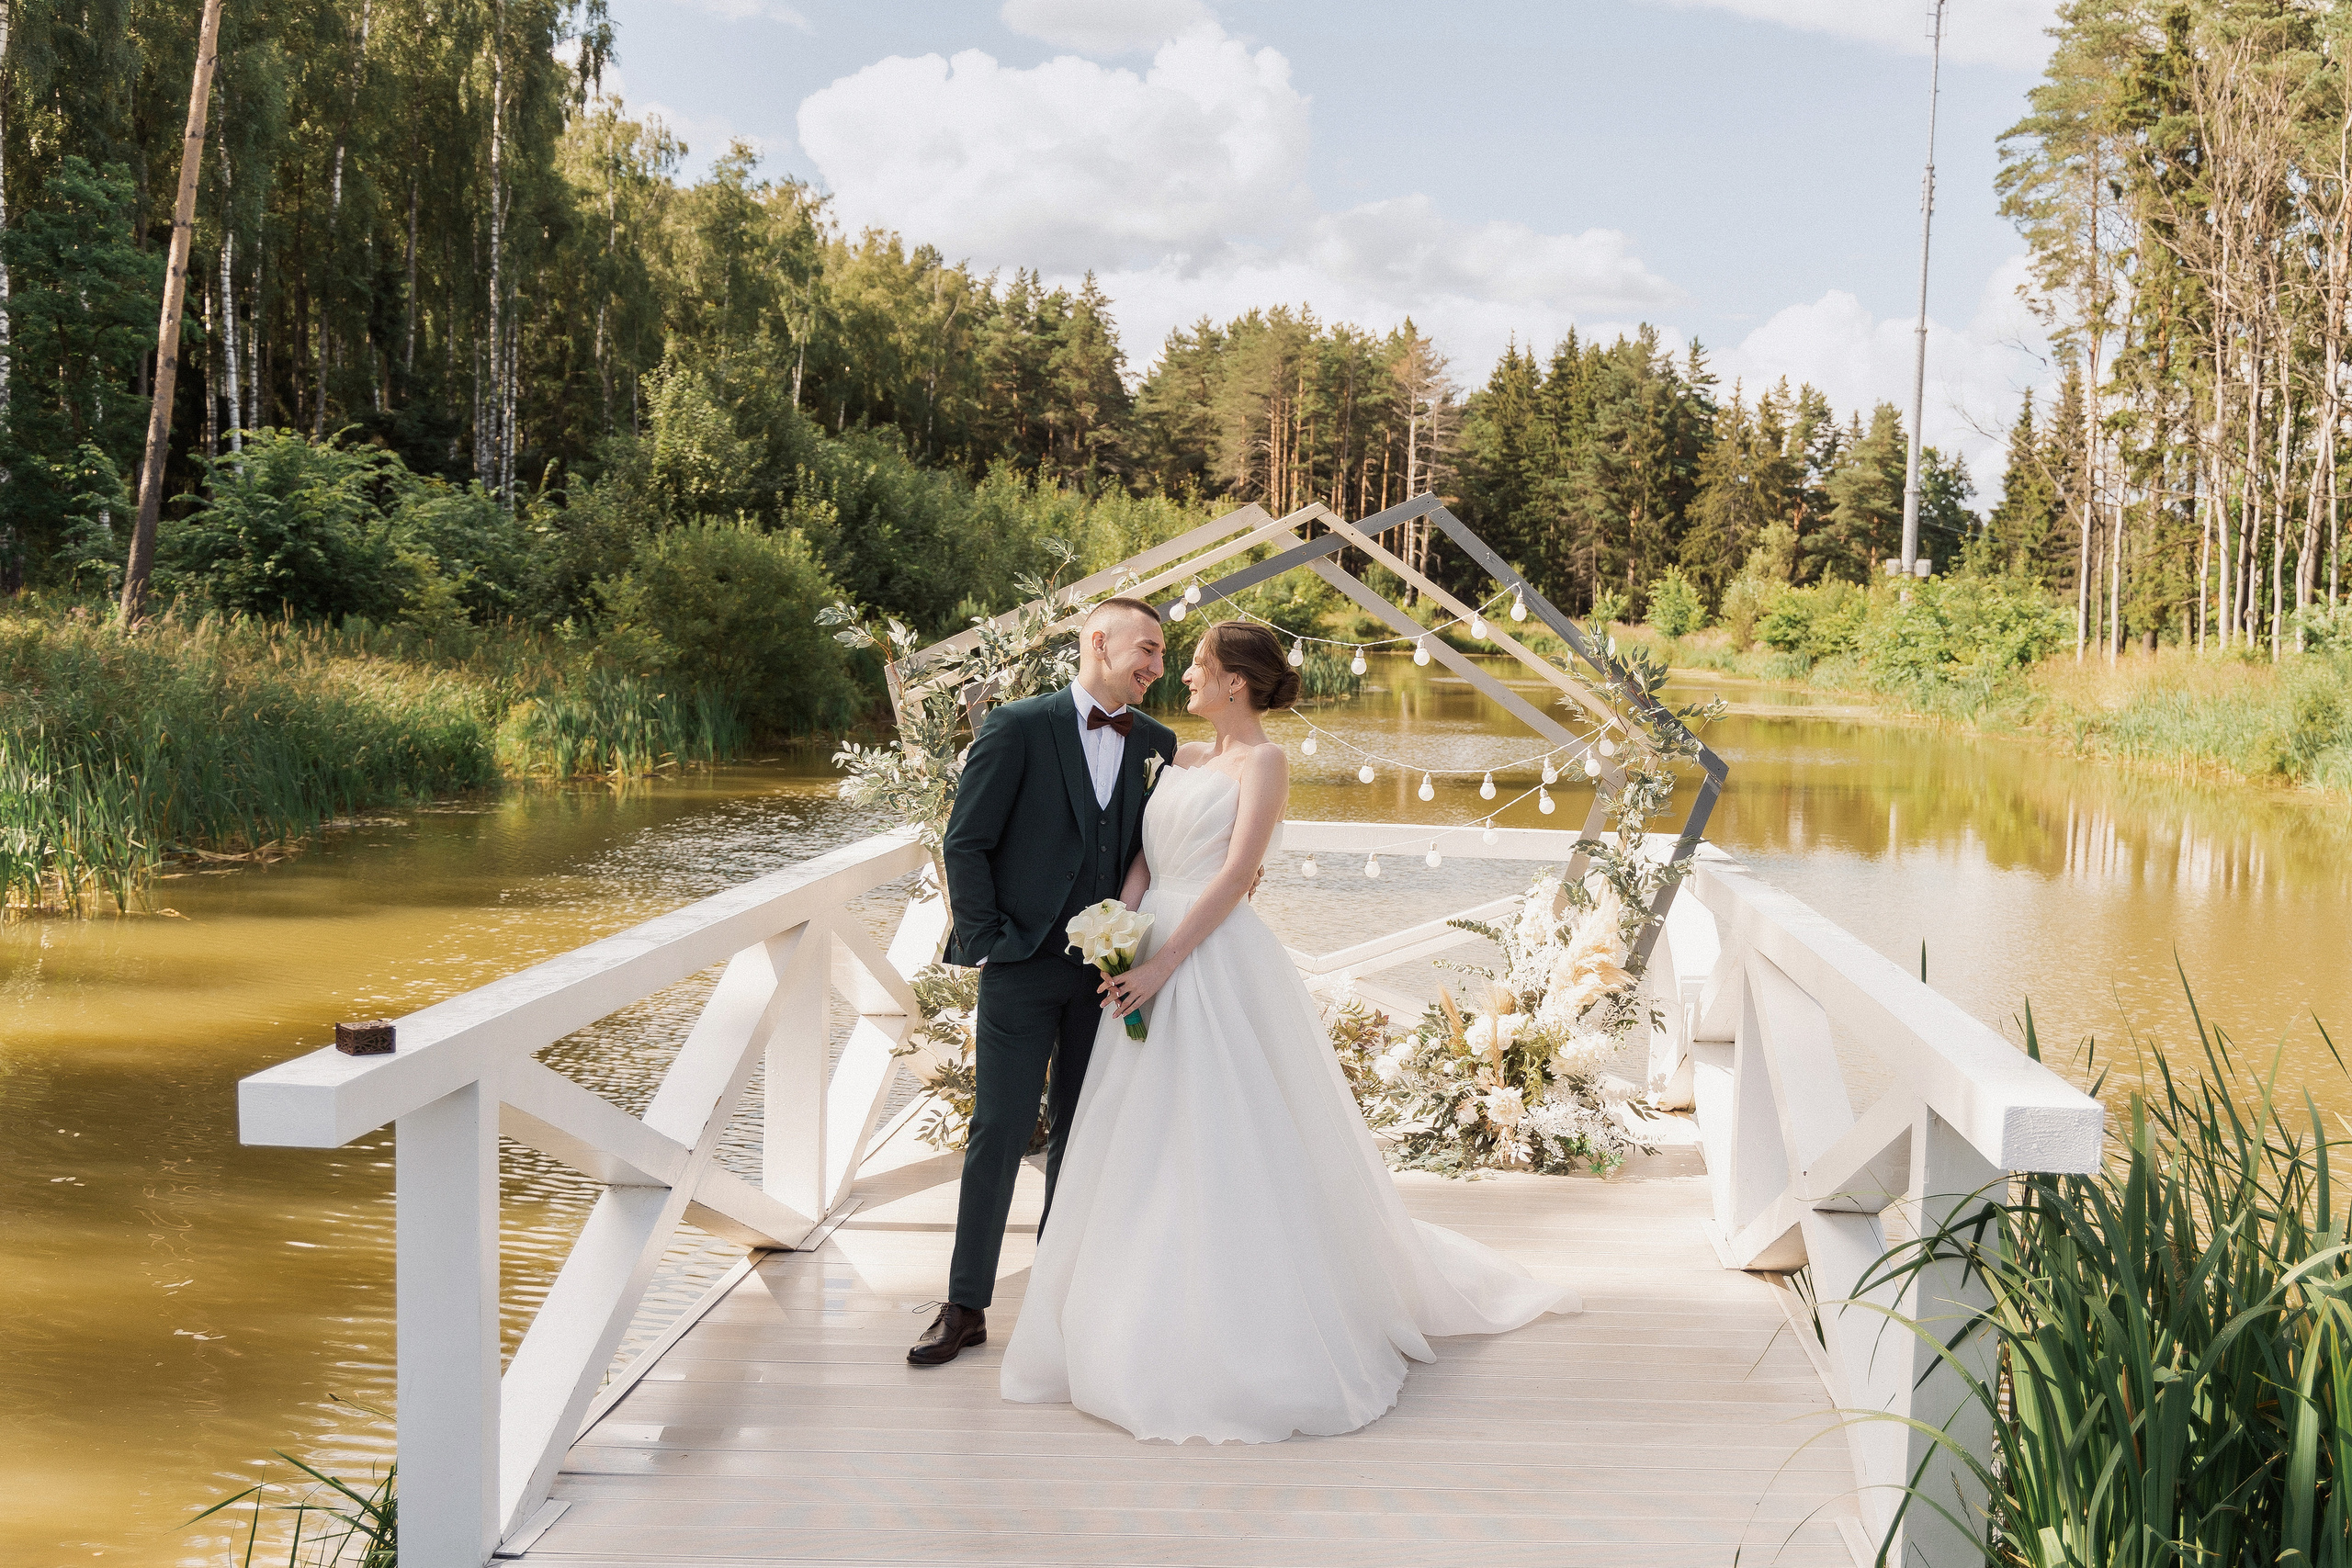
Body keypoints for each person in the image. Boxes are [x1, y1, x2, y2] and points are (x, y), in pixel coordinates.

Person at [1000, 620, 1579, 1441]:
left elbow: (1237, 873)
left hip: (1208, 958)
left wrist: (1163, 966)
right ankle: (1124, 1307)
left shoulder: (1263, 763)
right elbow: (1145, 858)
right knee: (1139, 1133)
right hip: (1148, 946)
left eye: (1198, 665)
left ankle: (1244, 1322)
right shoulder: (1180, 755)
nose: (1184, 676)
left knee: (1220, 1128)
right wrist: (1118, 930)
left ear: (1235, 681)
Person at [909, 598, 1180, 1367]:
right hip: (1022, 966)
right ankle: (966, 1305)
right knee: (997, 1130)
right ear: (1099, 641)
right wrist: (992, 943)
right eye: (1148, 648)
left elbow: (1159, 850)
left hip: (1107, 976)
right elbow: (966, 842)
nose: (1158, 666)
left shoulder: (1157, 743)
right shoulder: (1017, 727)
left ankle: (1059, 1301)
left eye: (1164, 654)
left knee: (1081, 1131)